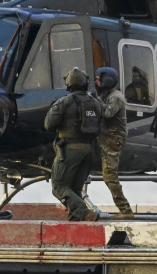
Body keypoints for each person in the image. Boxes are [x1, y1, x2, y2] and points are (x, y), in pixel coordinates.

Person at [44, 67, 103, 222]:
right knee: (75, 188)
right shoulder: (96, 103)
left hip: (70, 150)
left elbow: (48, 125)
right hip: (90, 150)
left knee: (59, 186)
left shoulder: (64, 102)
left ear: (69, 84)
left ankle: (84, 213)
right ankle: (75, 218)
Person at [95, 67, 134, 220]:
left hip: (113, 140)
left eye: (98, 79)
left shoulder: (115, 97)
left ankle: (125, 210)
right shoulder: (108, 95)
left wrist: (95, 101)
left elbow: (107, 113)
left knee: (109, 176)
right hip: (107, 138)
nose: (96, 83)